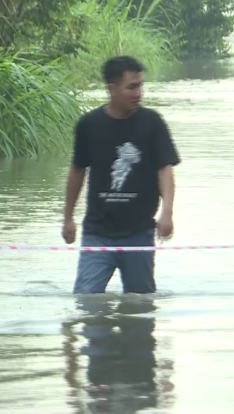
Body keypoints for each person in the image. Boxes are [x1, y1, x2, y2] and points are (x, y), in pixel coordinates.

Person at [62, 56, 180, 294]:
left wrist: (167, 213)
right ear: (112, 89)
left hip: (139, 233)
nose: (139, 93)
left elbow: (165, 169)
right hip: (98, 232)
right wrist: (67, 218)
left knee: (140, 306)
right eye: (132, 87)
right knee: (87, 301)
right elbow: (77, 171)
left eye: (140, 86)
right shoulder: (89, 125)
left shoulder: (152, 123)